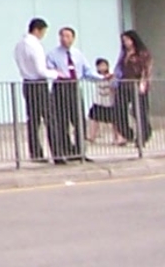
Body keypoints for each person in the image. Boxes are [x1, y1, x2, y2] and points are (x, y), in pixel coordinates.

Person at [14, 17, 62, 162]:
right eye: (43, 32)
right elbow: (41, 70)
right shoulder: (35, 45)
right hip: (39, 83)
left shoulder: (19, 45)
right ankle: (57, 153)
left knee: (33, 120)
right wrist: (56, 74)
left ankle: (36, 152)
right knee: (50, 118)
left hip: (27, 82)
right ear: (37, 30)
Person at [47, 25, 89, 159]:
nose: (64, 39)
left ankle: (80, 151)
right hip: (60, 87)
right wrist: (57, 73)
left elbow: (86, 71)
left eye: (67, 36)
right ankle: (66, 150)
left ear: (73, 38)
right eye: (62, 36)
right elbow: (50, 69)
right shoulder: (52, 54)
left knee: (79, 119)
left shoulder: (78, 54)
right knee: (62, 120)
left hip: (74, 86)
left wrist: (102, 77)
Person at [114, 30, 153, 147]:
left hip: (137, 83)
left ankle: (143, 135)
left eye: (127, 40)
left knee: (139, 111)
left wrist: (143, 82)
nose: (125, 43)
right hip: (124, 84)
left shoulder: (142, 53)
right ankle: (127, 132)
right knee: (119, 110)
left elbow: (146, 69)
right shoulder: (124, 54)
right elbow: (119, 68)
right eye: (124, 40)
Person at [88, 58, 117, 143]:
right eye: (100, 65)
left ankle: (116, 138)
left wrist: (110, 77)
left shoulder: (112, 76)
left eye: (104, 65)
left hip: (109, 102)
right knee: (93, 118)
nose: (102, 67)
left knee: (114, 120)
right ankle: (92, 136)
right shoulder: (96, 77)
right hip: (98, 101)